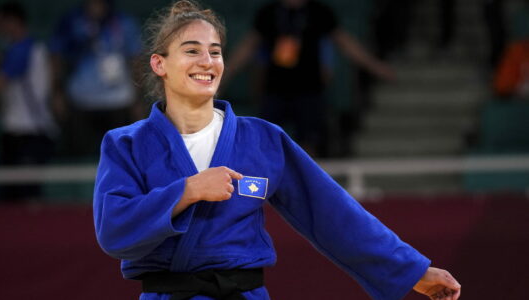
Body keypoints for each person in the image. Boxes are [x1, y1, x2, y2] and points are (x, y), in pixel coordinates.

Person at [93, 1, 461, 299]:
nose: (207, 62)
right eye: (192, 51)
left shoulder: (263, 140)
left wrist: (410, 270)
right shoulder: (126, 143)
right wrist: (187, 191)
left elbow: (331, 212)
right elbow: (113, 231)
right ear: (160, 64)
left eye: (216, 52)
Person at [225, 0, 395, 157]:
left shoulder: (319, 12)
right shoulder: (268, 13)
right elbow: (247, 47)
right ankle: (268, 184)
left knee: (309, 142)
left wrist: (376, 67)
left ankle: (305, 185)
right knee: (265, 140)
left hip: (309, 89)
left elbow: (346, 43)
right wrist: (223, 75)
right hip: (274, 88)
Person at [0, 2, 57, 201]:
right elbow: (1, 61)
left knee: (23, 199)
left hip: (29, 134)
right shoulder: (27, 49)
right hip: (22, 133)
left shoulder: (22, 50)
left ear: (13, 22)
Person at [50, 0, 143, 157]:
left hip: (119, 101)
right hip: (81, 101)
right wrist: (57, 91)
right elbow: (56, 56)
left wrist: (138, 98)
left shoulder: (124, 22)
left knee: (123, 157)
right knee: (79, 156)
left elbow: (136, 60)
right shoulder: (71, 21)